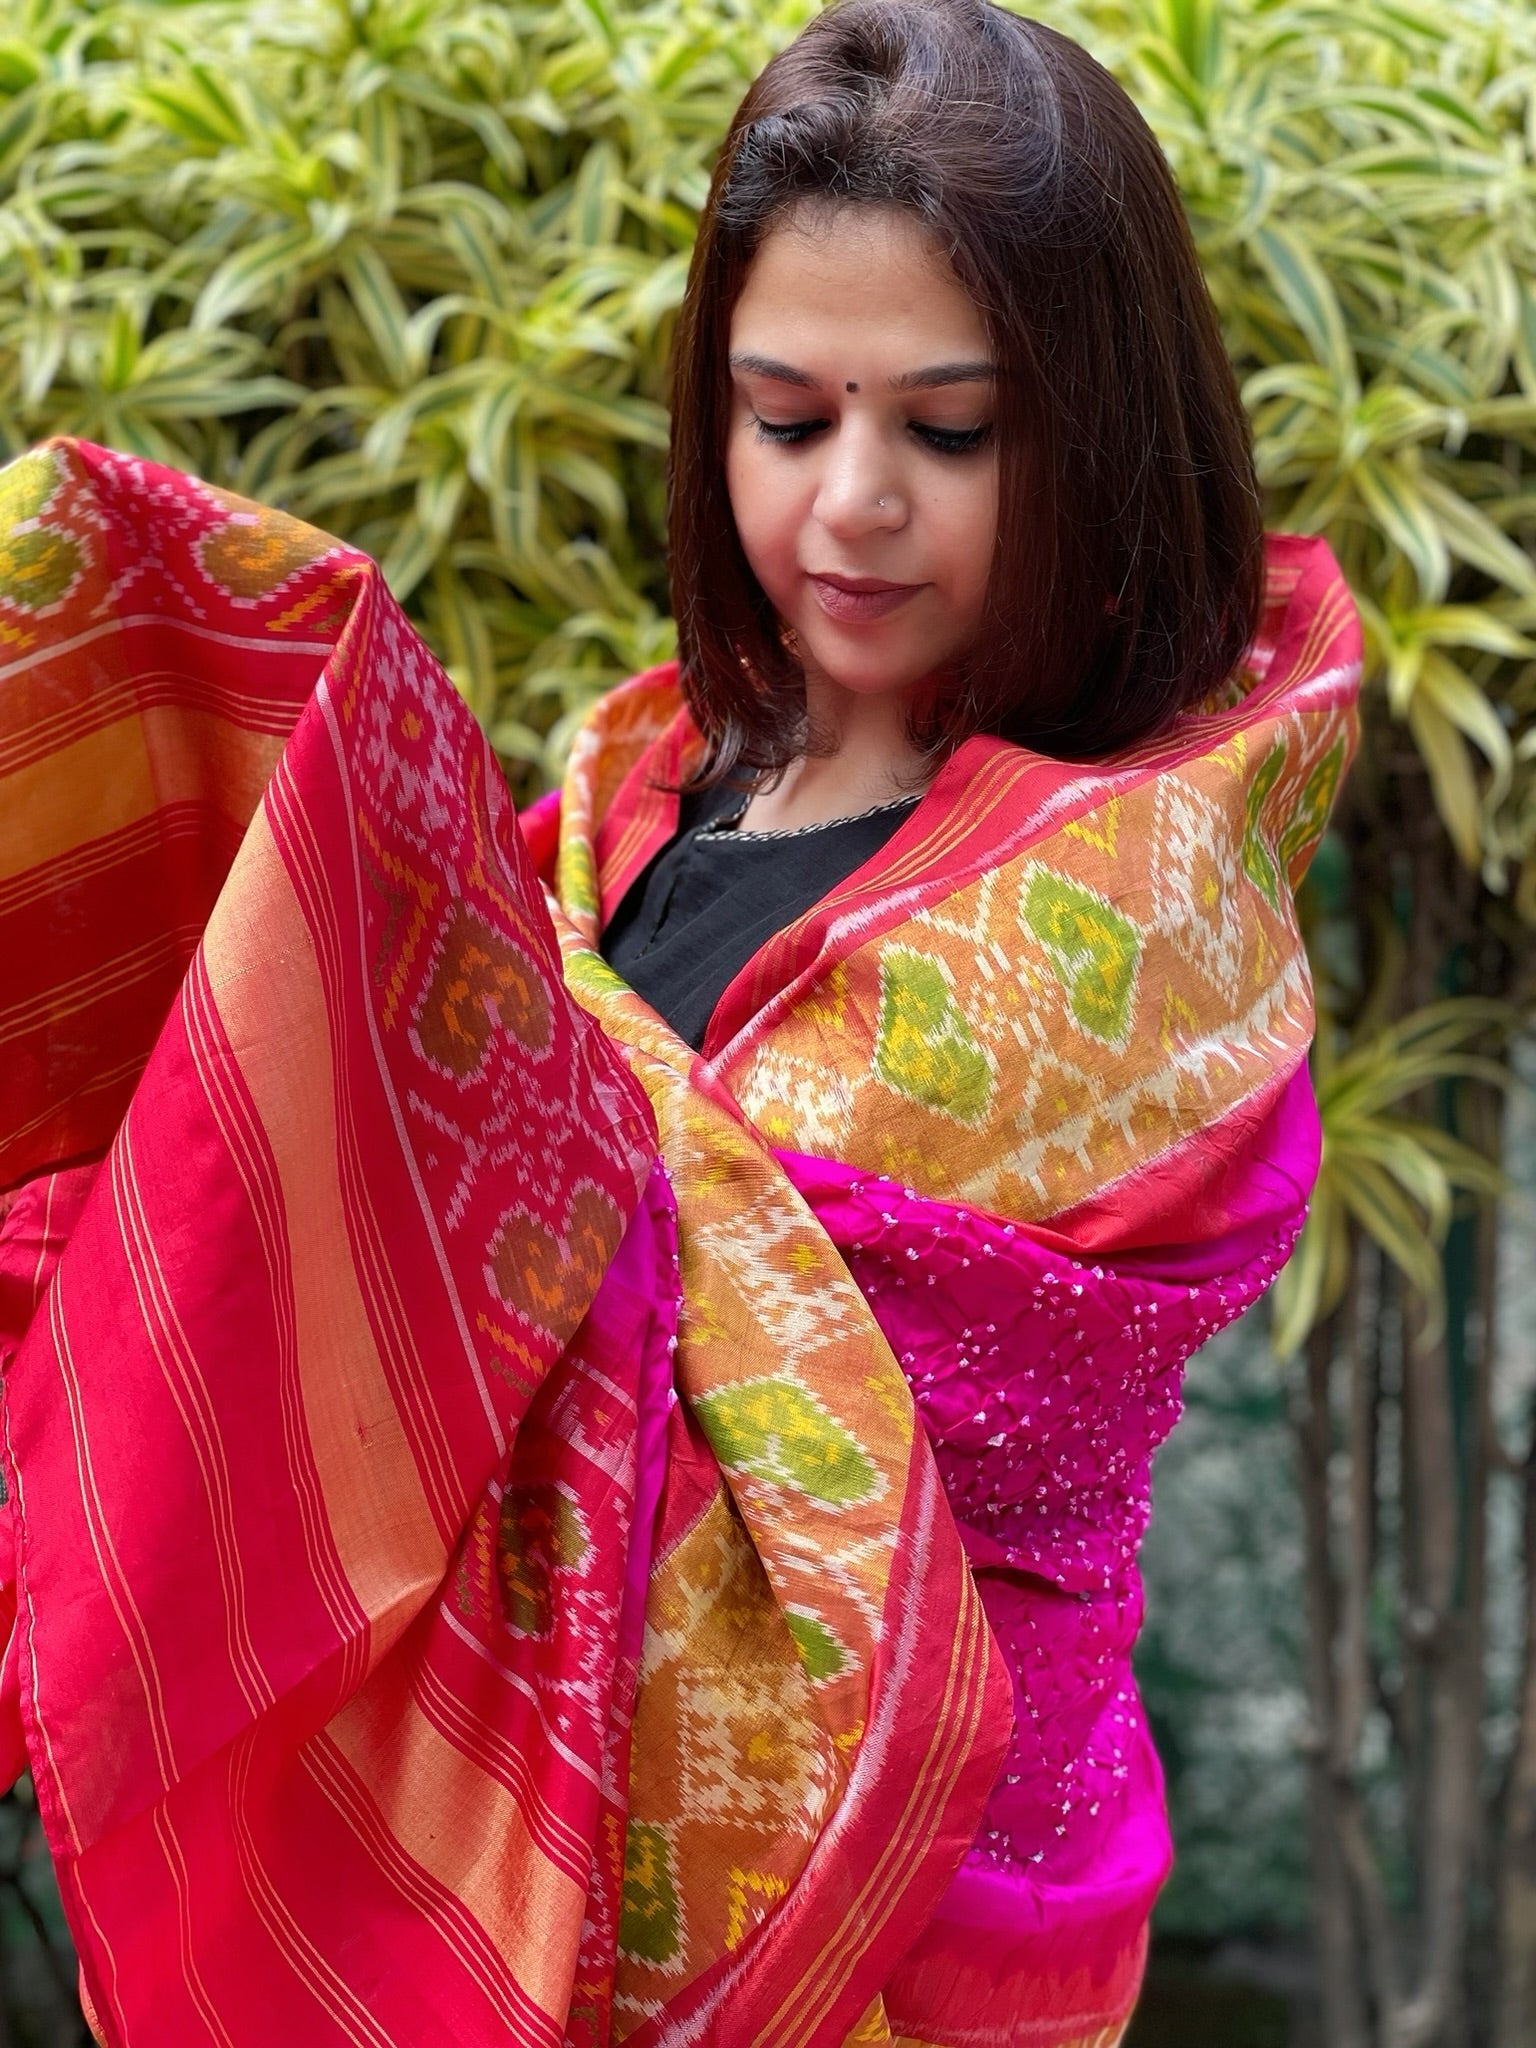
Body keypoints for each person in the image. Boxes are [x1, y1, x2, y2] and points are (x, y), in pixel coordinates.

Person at [0, 2, 1358, 2044]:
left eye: (949, 429)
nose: (854, 506)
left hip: (915, 1895)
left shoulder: (1134, 919)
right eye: (786, 417)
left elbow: (618, 1280)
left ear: (1098, 419)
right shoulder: (662, 775)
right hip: (572, 1836)